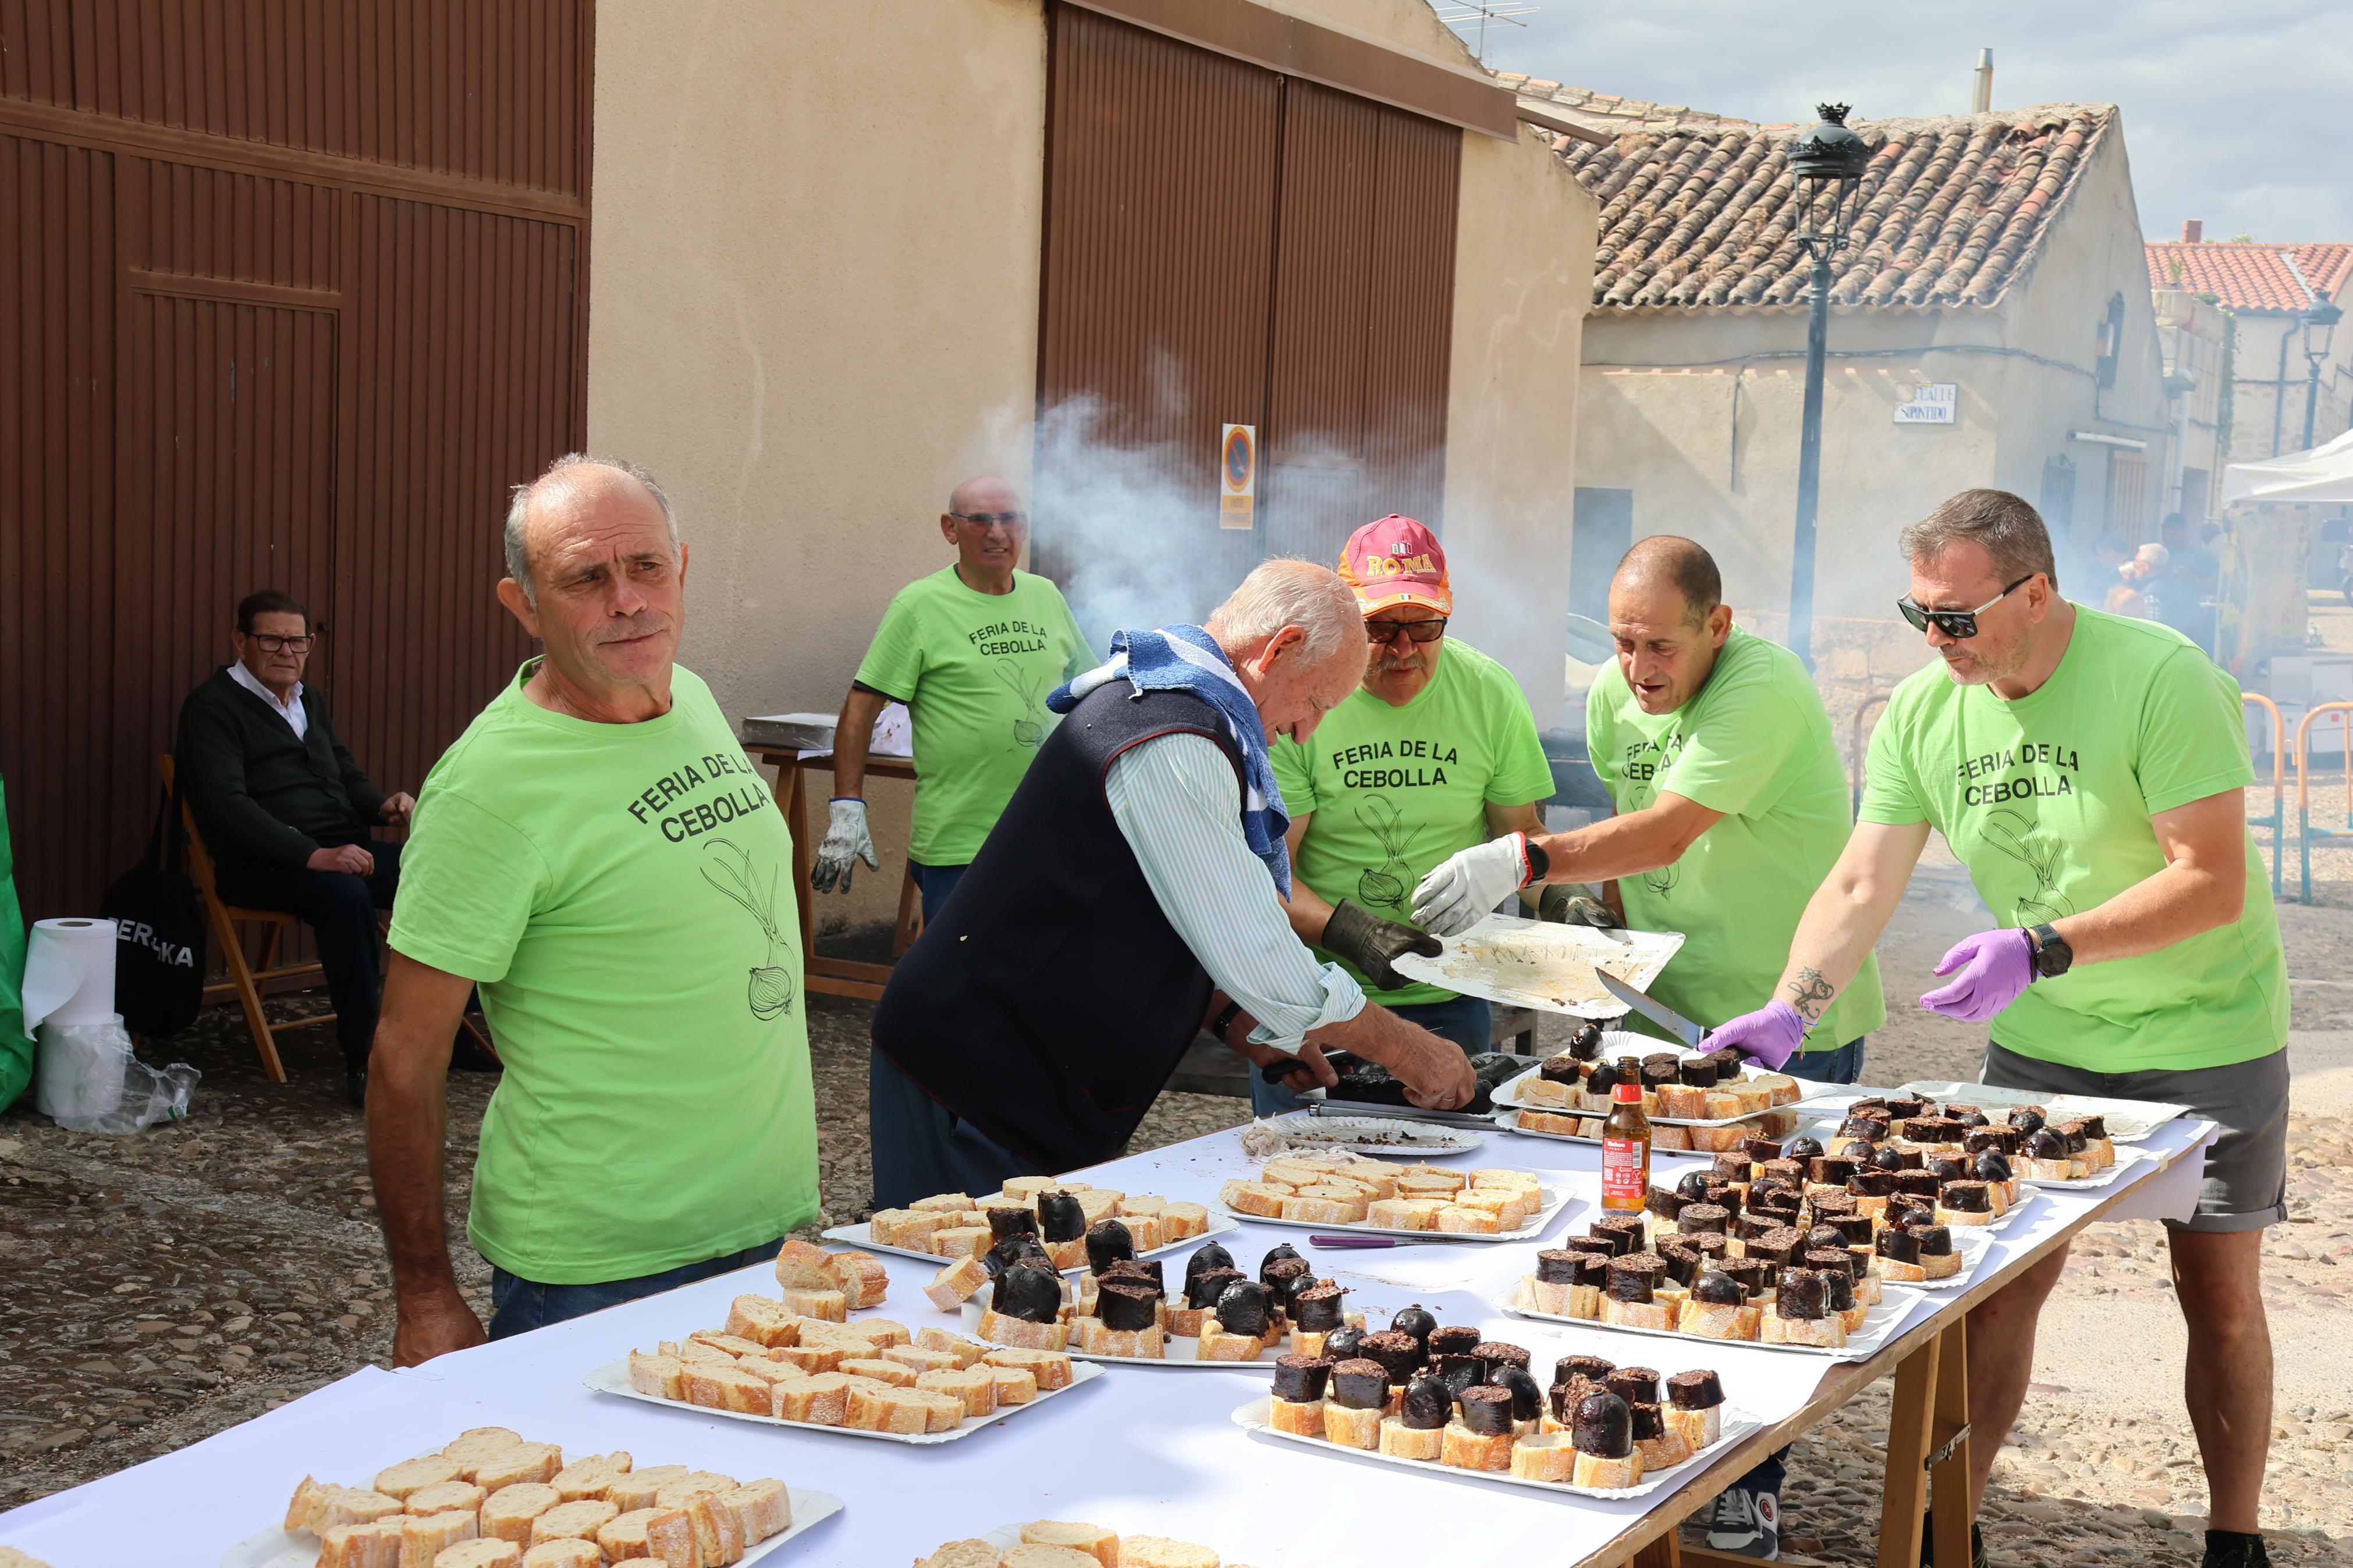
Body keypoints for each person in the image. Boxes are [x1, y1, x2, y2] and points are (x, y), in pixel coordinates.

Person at [1705, 489, 2287, 1568]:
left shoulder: (2159, 677)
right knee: (2000, 1283)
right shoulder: (1924, 713)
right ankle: (1943, 1529)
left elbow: (2208, 883)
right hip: (2046, 1043)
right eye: (1918, 613)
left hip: (2206, 1034)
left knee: (2215, 1294)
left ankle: (2234, 1538)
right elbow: (1859, 882)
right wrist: (1792, 1008)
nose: (1935, 640)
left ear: (2036, 593)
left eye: (1958, 618)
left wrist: (2041, 947)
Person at [1412, 536, 1886, 1557]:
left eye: (1660, 646)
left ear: (1717, 626)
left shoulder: (1759, 689)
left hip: (1784, 1021)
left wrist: (1526, 857)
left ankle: (1748, 1485)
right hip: (1667, 1024)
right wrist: (1593, 933)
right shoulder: (1613, 698)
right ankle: (1642, 1451)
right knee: (1639, 1242)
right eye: (1622, 645)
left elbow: (1668, 827)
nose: (1638, 670)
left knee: (1753, 1258)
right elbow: (1632, 844)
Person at [368, 454, 819, 1364]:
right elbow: (403, 1057)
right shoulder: (490, 786)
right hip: (596, 1270)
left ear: (681, 568)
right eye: (585, 577)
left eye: (646, 566)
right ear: (522, 604)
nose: (627, 600)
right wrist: (424, 1295)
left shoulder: (686, 696)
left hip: (772, 1231)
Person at [866, 560, 1479, 1209]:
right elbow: (1255, 947)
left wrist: (1235, 1015)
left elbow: (1160, 910)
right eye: (1315, 702)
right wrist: (1410, 1050)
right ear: (1281, 648)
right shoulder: (1171, 738)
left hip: (1027, 1075)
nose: (1305, 729)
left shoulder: (1185, 713)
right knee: (952, 1292)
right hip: (972, 1077)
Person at [1259, 516, 1554, 1114]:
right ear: (1345, 618)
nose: (1401, 648)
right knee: (1298, 1182)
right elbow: (1271, 876)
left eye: (1422, 625)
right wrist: (1353, 933)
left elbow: (1519, 838)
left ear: (1446, 613)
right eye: (1380, 627)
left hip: (1450, 994)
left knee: (1453, 1194)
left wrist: (1562, 900)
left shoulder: (1487, 693)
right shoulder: (1304, 697)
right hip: (1315, 999)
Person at [175, 589, 424, 1106]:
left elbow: (344, 771)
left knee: (441, 871)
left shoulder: (309, 700)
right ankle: (366, 1059)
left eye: (298, 640)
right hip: (261, 863)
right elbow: (226, 806)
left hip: (338, 848)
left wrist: (383, 807)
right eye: (272, 639)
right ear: (240, 641)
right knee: (346, 897)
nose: (286, 651)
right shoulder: (212, 707)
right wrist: (312, 854)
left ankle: (454, 1030)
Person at [811, 476, 1091, 923]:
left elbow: (1087, 690)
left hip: (1050, 831)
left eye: (1009, 519)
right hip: (961, 841)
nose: (997, 532)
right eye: (980, 520)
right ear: (950, 528)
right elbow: (863, 703)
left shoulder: (1046, 596)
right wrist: (847, 805)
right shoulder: (920, 604)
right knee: (961, 983)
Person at [2160, 512, 2220, 652]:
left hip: (2189, 623)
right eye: (2166, 534)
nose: (2168, 539)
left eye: (2173, 534)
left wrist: (2192, 580)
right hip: (2161, 619)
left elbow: (2217, 587)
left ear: (2185, 532)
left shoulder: (2201, 555)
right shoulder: (2162, 553)